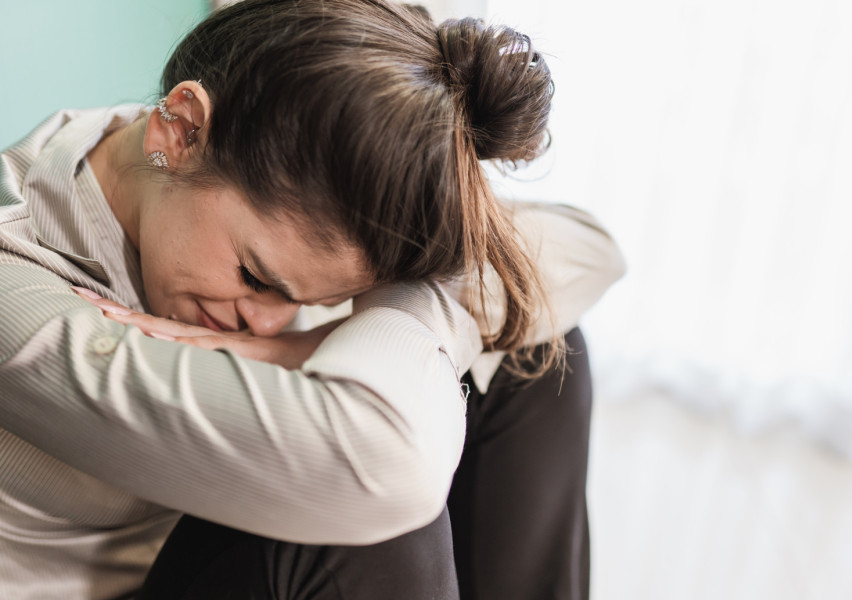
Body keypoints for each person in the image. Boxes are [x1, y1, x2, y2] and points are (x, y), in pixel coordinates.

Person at [0, 0, 624, 598]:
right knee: (367, 526)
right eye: (258, 278)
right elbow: (391, 467)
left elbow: (593, 250)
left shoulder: (240, 172)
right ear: (182, 128)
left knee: (530, 357)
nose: (269, 321)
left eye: (319, 300)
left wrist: (302, 346)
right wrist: (394, 321)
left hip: (206, 552)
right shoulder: (13, 274)